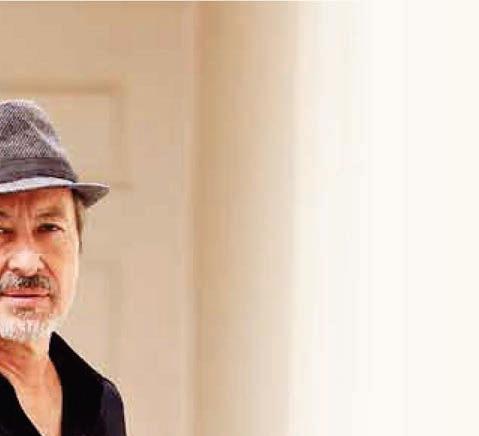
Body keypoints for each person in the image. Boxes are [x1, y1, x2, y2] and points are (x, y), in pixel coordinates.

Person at [0, 100, 127, 436]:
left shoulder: (100, 402)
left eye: (49, 228)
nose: (27, 263)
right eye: (1, 231)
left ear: (78, 244)